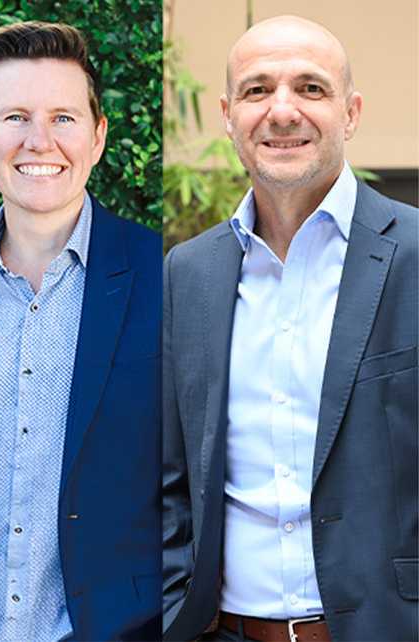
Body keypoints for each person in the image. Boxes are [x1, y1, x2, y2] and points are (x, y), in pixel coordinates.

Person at [162, 15, 417, 642]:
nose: (282, 112)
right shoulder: (187, 273)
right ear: (227, 115)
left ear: (351, 112)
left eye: (310, 88)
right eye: (257, 90)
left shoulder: (414, 255)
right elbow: (170, 478)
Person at [0, 21, 162, 641]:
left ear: (99, 137)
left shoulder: (164, 275)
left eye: (64, 118)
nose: (39, 141)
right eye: (16, 116)